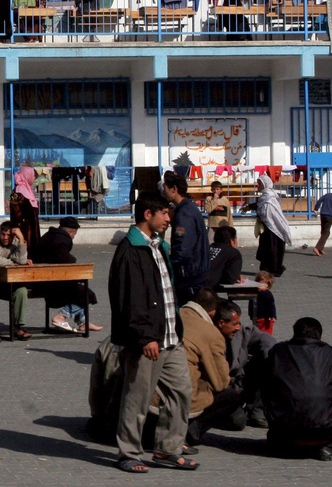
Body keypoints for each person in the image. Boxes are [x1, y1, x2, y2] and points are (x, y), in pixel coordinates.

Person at [108, 193, 197, 472]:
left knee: (181, 392)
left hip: (171, 336)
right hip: (147, 340)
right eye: (164, 214)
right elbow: (129, 299)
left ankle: (168, 449)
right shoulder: (130, 250)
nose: (169, 219)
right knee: (138, 397)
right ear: (148, 214)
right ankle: (129, 452)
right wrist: (144, 337)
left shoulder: (159, 246)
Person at [263, 316, 332, 460]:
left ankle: (283, 444)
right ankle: (331, 446)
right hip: (326, 428)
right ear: (319, 336)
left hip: (284, 426)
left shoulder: (278, 351)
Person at [182, 290, 244, 447]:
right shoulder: (210, 334)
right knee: (231, 396)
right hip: (183, 394)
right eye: (235, 324)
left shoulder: (178, 315)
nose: (239, 328)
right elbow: (220, 383)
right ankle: (191, 432)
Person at [30, 216, 102, 333]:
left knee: (80, 290)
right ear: (70, 231)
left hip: (40, 279)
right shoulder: (63, 240)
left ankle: (83, 322)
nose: (74, 237)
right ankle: (61, 316)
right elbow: (62, 259)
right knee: (85, 294)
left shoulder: (49, 235)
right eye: (74, 234)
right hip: (50, 282)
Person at [164, 171, 210, 305]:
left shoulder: (184, 213)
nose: (163, 192)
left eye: (165, 188)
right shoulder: (188, 208)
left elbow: (183, 248)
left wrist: (169, 265)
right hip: (196, 272)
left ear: (174, 189)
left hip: (190, 275)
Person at [253, 174, 291, 276]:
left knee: (273, 249)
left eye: (260, 184)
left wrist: (262, 217)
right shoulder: (264, 196)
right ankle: (267, 269)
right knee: (266, 249)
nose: (259, 186)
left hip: (274, 228)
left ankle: (274, 269)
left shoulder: (270, 197)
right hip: (267, 228)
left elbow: (271, 213)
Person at [204, 225, 243, 289]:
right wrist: (235, 277)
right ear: (232, 240)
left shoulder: (206, 248)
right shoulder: (233, 253)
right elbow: (230, 279)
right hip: (204, 290)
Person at [12, 166, 41, 246]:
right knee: (24, 251)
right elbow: (16, 212)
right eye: (33, 176)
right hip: (24, 229)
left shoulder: (27, 190)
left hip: (31, 227)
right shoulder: (19, 191)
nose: (34, 179)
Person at [313, 183, 332, 256]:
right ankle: (317, 247)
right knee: (326, 233)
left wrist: (316, 208)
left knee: (323, 231)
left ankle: (321, 248)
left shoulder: (327, 195)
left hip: (323, 215)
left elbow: (319, 201)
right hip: (330, 216)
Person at [254, 271, 277, 335]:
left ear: (268, 286)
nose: (259, 286)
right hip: (257, 317)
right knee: (258, 333)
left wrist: (272, 315)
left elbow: (271, 305)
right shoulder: (255, 293)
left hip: (266, 318)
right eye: (258, 284)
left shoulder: (267, 294)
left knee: (265, 334)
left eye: (262, 285)